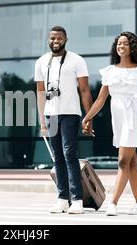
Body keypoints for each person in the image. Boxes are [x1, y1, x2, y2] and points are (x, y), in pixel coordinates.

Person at [81, 31, 137, 216]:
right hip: (118, 117)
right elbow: (100, 100)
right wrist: (87, 117)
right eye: (118, 43)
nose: (120, 46)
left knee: (123, 161)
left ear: (133, 47)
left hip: (134, 117)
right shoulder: (110, 71)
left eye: (125, 43)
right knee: (131, 163)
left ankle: (113, 203)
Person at [35, 26, 93, 214]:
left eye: (59, 37)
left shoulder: (77, 60)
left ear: (66, 39)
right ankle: (62, 198)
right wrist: (42, 120)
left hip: (70, 113)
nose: (55, 41)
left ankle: (77, 200)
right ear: (48, 39)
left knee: (69, 153)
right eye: (52, 38)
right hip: (51, 114)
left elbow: (84, 90)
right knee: (57, 156)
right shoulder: (42, 62)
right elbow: (40, 92)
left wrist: (89, 116)